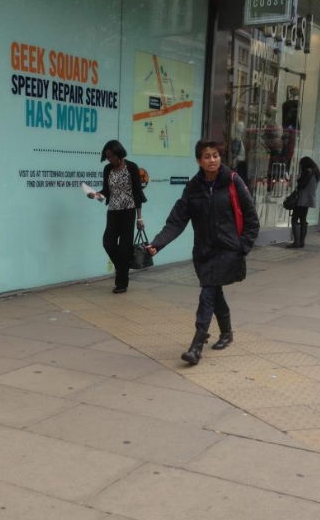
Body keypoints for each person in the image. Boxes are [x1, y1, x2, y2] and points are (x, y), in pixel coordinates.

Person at [146, 140, 259, 365]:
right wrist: (157, 244)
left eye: (216, 155)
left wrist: (242, 247)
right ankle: (226, 333)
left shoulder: (233, 182)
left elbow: (251, 219)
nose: (212, 160)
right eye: (207, 156)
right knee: (214, 292)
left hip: (228, 250)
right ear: (199, 160)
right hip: (203, 252)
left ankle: (196, 345)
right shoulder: (193, 187)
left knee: (208, 292)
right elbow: (177, 220)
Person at [88, 140, 144, 294]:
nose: (109, 159)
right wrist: (96, 195)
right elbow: (106, 191)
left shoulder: (131, 167)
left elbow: (138, 194)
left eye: (111, 156)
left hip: (128, 212)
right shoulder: (107, 169)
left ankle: (121, 283)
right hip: (113, 211)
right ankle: (123, 269)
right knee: (108, 243)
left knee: (125, 248)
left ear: (119, 154)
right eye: (107, 157)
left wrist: (139, 218)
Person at [286, 157, 320, 248]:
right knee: (303, 220)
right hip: (309, 199)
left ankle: (296, 242)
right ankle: (301, 242)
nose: (300, 166)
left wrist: (298, 179)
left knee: (294, 219)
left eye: (301, 164)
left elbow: (302, 185)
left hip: (302, 199)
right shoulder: (315, 172)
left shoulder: (308, 171)